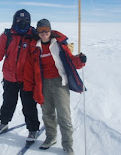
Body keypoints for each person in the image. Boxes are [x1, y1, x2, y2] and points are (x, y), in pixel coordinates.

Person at [23, 19, 87, 155]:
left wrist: (80, 60)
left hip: (59, 83)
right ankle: (51, 138)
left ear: (50, 30)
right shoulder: (35, 47)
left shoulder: (58, 45)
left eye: (45, 29)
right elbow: (29, 68)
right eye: (40, 30)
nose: (43, 33)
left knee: (64, 115)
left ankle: (68, 145)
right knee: (47, 114)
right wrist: (29, 86)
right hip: (43, 84)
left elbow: (71, 61)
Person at [0, 9, 40, 142]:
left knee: (29, 105)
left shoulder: (34, 35)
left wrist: (63, 47)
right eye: (19, 20)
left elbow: (47, 42)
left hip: (27, 79)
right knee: (8, 102)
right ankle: (4, 123)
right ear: (14, 20)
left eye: (25, 20)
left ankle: (33, 129)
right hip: (10, 76)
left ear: (29, 21)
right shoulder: (7, 35)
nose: (22, 23)